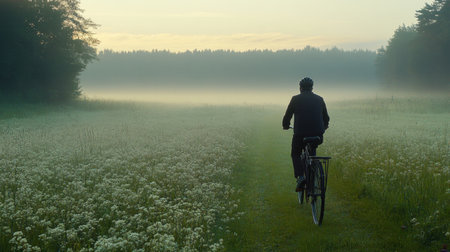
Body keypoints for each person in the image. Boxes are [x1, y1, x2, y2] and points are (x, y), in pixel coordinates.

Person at [282, 77, 330, 192]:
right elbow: (326, 118)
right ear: (312, 88)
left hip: (300, 135)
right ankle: (313, 175)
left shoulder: (295, 99)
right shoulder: (320, 99)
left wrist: (285, 125)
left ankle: (301, 176)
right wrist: (323, 127)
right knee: (312, 150)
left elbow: (287, 116)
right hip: (318, 135)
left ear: (300, 88)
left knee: (295, 153)